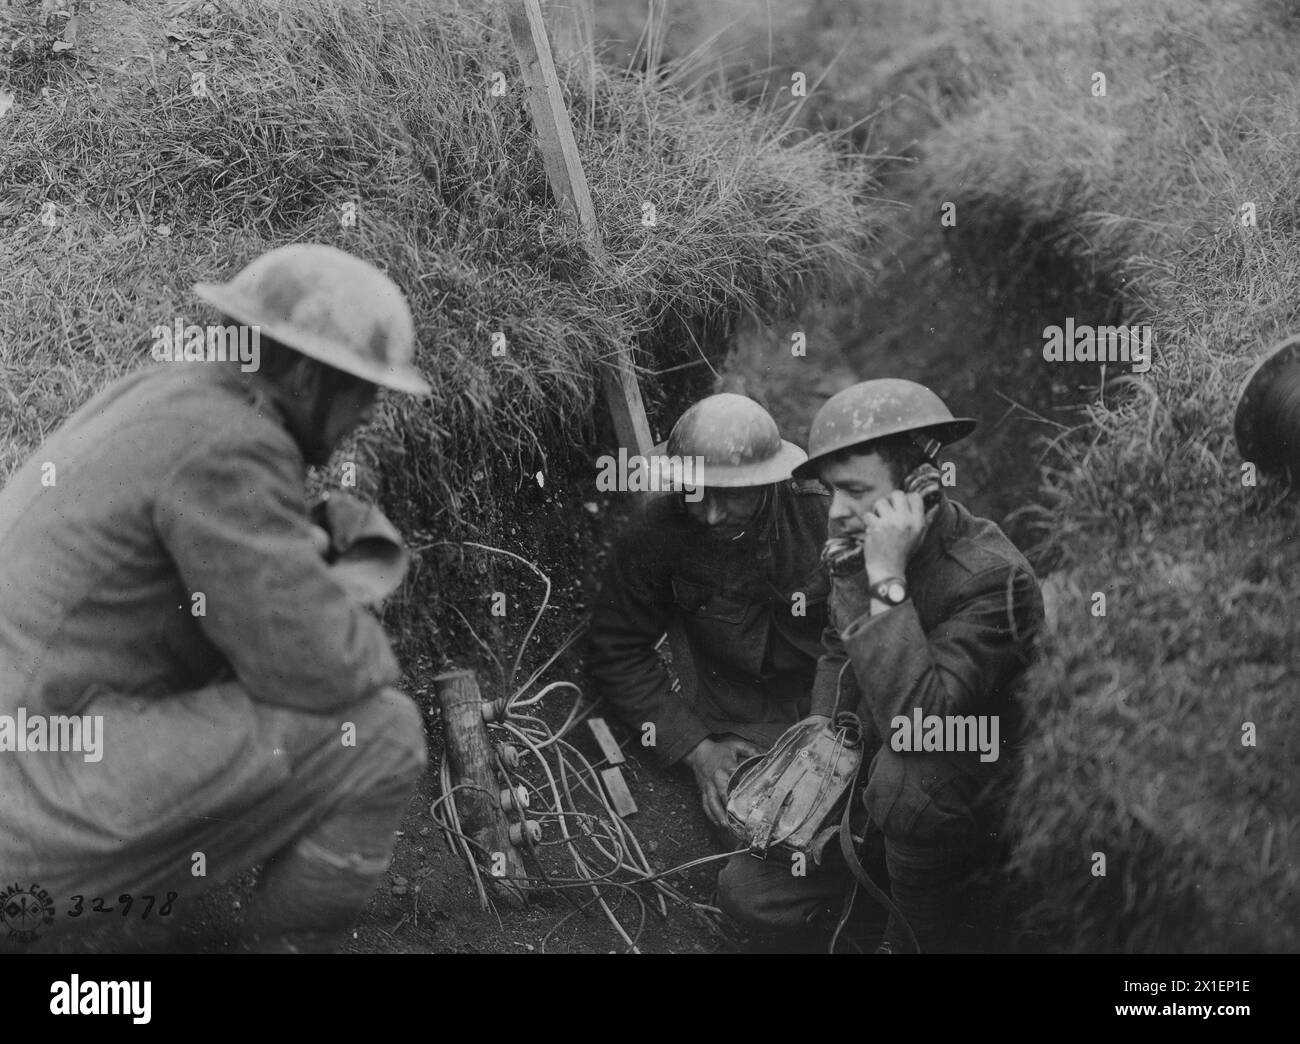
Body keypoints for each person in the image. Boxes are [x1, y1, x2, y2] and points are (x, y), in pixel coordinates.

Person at [0, 243, 431, 953]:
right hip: (30, 799)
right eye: (363, 390)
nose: (368, 415)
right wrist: (351, 582)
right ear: (303, 374)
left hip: (36, 748)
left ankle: (95, 928)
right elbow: (324, 671)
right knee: (381, 735)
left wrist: (299, 553)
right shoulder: (234, 446)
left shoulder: (175, 395)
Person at [716, 379, 1044, 952]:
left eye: (854, 491)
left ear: (917, 490)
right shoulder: (859, 547)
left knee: (905, 779)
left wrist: (887, 581)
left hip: (960, 803)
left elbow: (923, 723)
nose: (836, 513)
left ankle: (922, 932)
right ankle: (868, 900)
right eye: (829, 492)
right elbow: (838, 643)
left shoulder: (992, 579)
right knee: (746, 895)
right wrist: (822, 735)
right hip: (878, 792)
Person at [586, 393, 830, 831]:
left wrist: (830, 727)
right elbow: (617, 648)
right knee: (760, 831)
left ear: (767, 480)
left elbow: (870, 632)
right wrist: (697, 750)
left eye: (731, 494)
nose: (712, 514)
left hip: (831, 702)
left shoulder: (823, 512)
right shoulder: (659, 529)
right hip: (730, 713)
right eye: (698, 492)